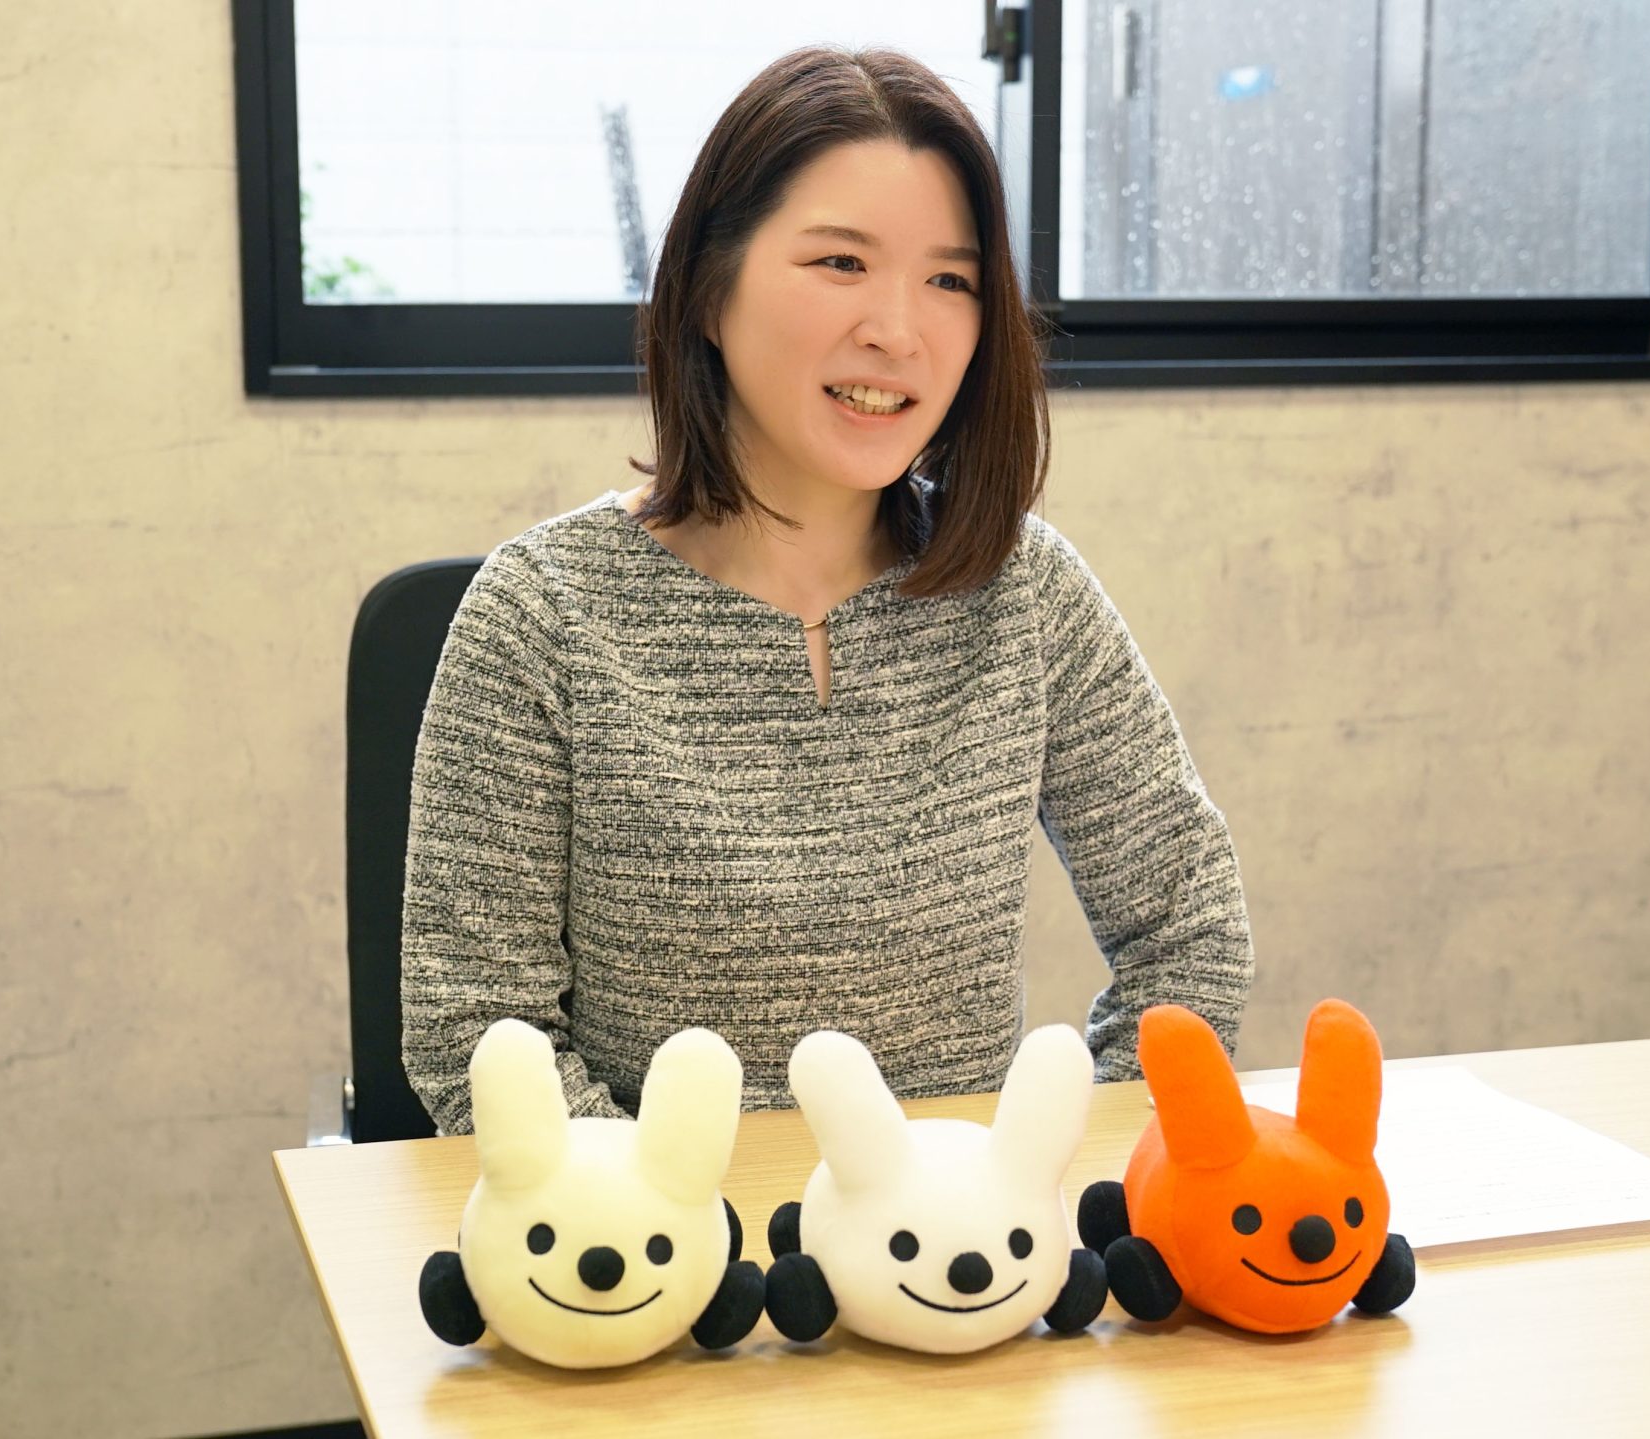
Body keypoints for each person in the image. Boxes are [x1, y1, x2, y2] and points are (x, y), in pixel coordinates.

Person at [398, 46, 1251, 1136]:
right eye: (842, 262)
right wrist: (659, 1216)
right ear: (709, 291)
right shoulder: (540, 616)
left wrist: (1048, 1176)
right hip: (657, 1237)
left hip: (959, 1237)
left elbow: (1188, 931)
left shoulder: (1027, 592)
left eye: (950, 281)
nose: (899, 330)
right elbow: (476, 1030)